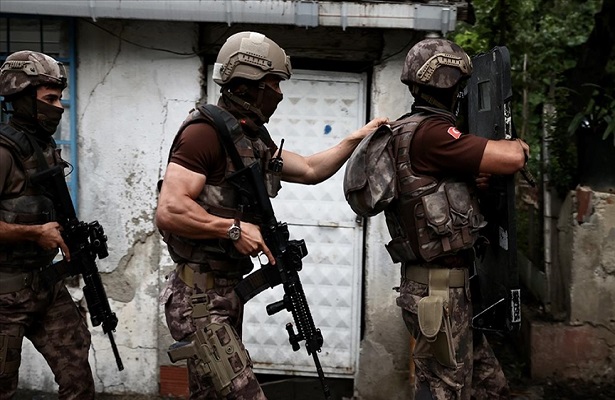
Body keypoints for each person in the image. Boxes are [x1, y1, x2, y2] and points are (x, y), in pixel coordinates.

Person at [156, 31, 387, 399]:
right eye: (274, 82)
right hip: (198, 300)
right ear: (248, 83)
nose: (279, 92)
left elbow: (311, 169)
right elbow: (169, 210)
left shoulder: (248, 140)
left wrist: (357, 137)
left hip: (225, 293)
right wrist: (233, 229)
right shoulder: (203, 134)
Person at [381, 38, 530, 400]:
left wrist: (467, 182)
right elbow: (510, 158)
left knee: (490, 388)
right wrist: (517, 147)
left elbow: (433, 189)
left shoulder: (410, 129)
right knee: (443, 390)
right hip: (440, 294)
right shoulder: (432, 132)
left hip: (444, 291)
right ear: (450, 85)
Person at [0, 51, 95, 398]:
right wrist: (33, 233)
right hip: (4, 294)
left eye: (59, 97)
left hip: (45, 286)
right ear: (23, 97)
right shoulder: (3, 152)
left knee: (78, 379)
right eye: (49, 98)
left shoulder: (44, 148)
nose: (58, 106)